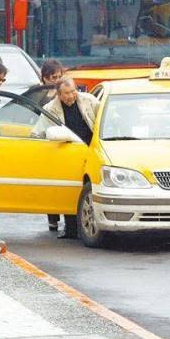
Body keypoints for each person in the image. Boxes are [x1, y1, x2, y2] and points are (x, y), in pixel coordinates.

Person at [32, 78, 100, 239]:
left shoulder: (89, 101)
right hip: (67, 153)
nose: (71, 96)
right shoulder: (50, 109)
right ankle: (71, 229)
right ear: (59, 95)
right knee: (69, 189)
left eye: (73, 91)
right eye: (67, 93)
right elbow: (38, 133)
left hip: (91, 150)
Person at [32, 60, 65, 232]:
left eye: (60, 77)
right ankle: (52, 218)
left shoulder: (65, 91)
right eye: (54, 77)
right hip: (45, 142)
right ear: (44, 78)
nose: (57, 80)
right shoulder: (37, 94)